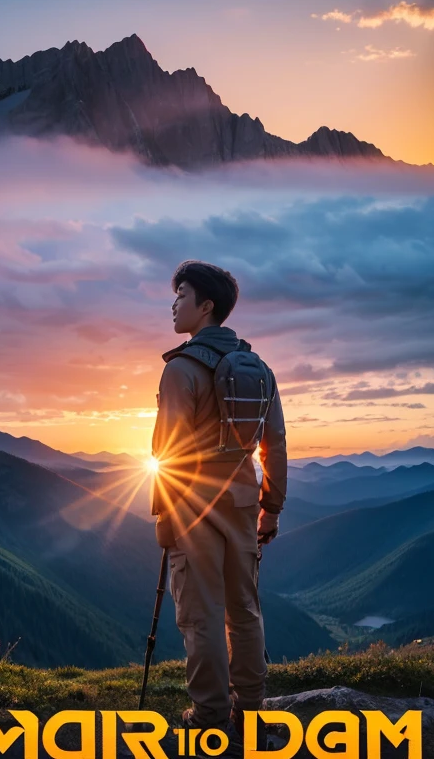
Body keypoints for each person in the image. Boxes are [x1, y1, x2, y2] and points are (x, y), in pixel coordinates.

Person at [150, 260, 287, 748]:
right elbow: (275, 443)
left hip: (192, 505)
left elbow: (168, 452)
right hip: (244, 501)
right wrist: (272, 507)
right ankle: (251, 713)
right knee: (244, 609)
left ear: (205, 306)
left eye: (181, 295)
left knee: (200, 613)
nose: (173, 303)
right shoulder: (259, 368)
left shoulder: (181, 369)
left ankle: (210, 717)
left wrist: (165, 516)